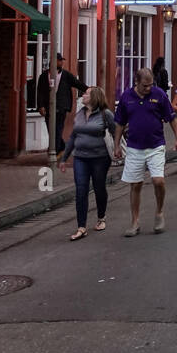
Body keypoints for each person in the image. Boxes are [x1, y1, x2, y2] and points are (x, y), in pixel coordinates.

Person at [113, 67, 177, 236]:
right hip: (134, 147)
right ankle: (135, 221)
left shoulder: (159, 95)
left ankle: (159, 212)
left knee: (159, 181)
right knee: (135, 184)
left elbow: (171, 118)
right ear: (136, 82)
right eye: (145, 86)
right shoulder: (126, 97)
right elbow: (120, 123)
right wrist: (116, 146)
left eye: (151, 85)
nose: (148, 88)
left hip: (156, 145)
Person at [59, 87, 115, 240]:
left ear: (95, 97)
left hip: (100, 158)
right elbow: (72, 137)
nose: (83, 95)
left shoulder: (105, 114)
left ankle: (101, 217)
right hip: (80, 158)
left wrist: (118, 150)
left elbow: (116, 132)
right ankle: (81, 227)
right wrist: (64, 158)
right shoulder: (79, 114)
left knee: (99, 188)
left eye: (86, 94)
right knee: (81, 190)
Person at [37, 53, 88, 153]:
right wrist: (41, 106)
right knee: (50, 128)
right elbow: (40, 92)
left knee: (58, 127)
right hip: (48, 106)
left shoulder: (66, 75)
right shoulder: (43, 76)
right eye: (60, 60)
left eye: (61, 60)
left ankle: (54, 150)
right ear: (54, 61)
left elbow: (77, 83)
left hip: (62, 105)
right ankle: (60, 145)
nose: (62, 62)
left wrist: (89, 89)